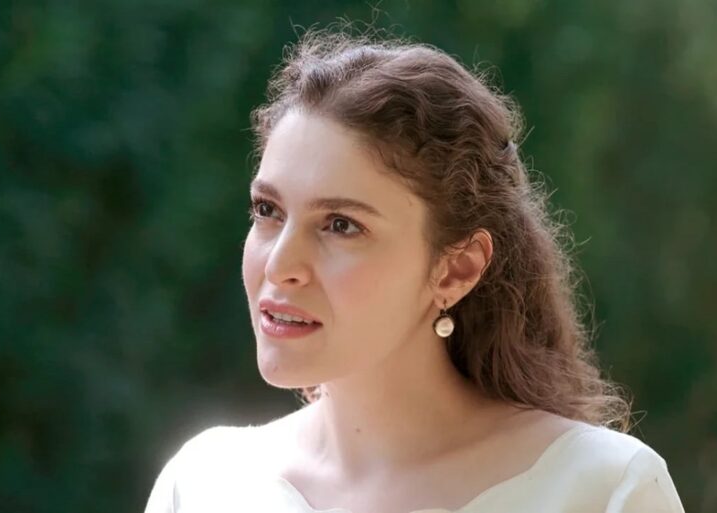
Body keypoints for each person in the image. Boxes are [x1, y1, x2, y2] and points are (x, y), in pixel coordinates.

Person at [144, 27, 686, 513]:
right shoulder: (203, 486)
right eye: (268, 210)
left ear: (456, 270)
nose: (281, 265)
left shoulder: (601, 489)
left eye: (340, 225)